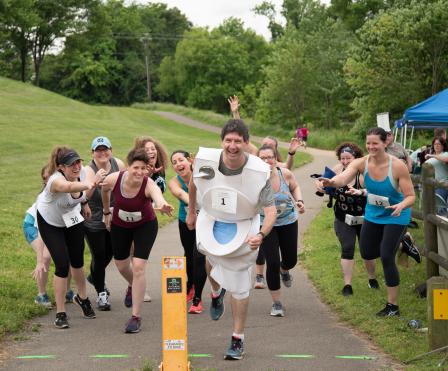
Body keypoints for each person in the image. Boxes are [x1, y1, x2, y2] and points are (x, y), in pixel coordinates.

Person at [186, 118, 277, 360]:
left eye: (238, 141)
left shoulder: (259, 172)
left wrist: (261, 234)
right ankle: (216, 293)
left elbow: (270, 211)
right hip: (212, 217)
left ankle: (238, 338)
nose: (233, 145)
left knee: (239, 284)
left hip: (244, 223)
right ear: (222, 141)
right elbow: (194, 184)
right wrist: (191, 211)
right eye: (228, 140)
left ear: (246, 143)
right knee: (210, 257)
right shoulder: (206, 161)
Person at [320, 127, 415, 316]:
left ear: (384, 143)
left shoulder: (397, 166)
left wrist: (401, 206)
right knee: (367, 252)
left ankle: (392, 306)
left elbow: (411, 196)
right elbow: (344, 177)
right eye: (368, 143)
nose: (371, 147)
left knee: (387, 256)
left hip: (396, 215)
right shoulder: (361, 163)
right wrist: (331, 182)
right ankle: (403, 243)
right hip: (372, 215)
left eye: (375, 143)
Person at [101, 148, 173, 333]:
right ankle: (133, 285)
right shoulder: (115, 178)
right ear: (128, 166)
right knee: (121, 265)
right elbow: (104, 189)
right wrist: (106, 211)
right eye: (136, 168)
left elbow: (157, 195)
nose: (140, 172)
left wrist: (162, 204)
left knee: (139, 267)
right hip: (119, 225)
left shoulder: (148, 184)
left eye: (143, 168)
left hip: (145, 226)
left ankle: (135, 317)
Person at [36, 147, 100, 329]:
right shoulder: (55, 181)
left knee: (77, 261)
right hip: (50, 222)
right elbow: (70, 187)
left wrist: (85, 203)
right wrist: (91, 184)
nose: (77, 166)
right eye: (71, 164)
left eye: (78, 162)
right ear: (61, 168)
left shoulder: (82, 173)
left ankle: (83, 298)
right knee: (62, 265)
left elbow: (79, 193)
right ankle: (61, 312)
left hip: (71, 218)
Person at [315, 143, 377, 296]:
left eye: (348, 158)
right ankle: (347, 285)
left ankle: (372, 278)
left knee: (367, 251)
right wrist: (320, 185)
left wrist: (361, 191)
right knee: (347, 248)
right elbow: (324, 183)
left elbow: (374, 191)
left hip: (364, 217)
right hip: (343, 217)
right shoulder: (337, 170)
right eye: (342, 158)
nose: (345, 161)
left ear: (355, 158)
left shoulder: (362, 174)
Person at [257, 145, 305, 316]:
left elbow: (295, 186)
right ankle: (276, 303)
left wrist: (299, 201)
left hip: (288, 221)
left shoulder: (285, 174)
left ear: (275, 158)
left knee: (291, 259)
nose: (266, 161)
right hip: (266, 225)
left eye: (269, 157)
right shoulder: (254, 179)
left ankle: (285, 270)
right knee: (272, 262)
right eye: (262, 158)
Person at [84, 136, 125, 311]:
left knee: (114, 252)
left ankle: (95, 276)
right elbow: (84, 195)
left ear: (110, 150)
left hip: (115, 217)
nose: (102, 153)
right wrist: (95, 181)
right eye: (98, 150)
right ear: (92, 153)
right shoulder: (88, 170)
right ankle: (101, 293)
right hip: (94, 219)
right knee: (99, 256)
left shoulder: (118, 164)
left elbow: (127, 184)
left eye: (105, 149)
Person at [168, 150, 207, 314]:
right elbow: (181, 194)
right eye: (174, 162)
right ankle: (190, 285)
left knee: (199, 256)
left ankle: (197, 298)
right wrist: (192, 209)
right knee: (188, 255)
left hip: (205, 221)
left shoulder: (203, 176)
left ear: (190, 161)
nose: (178, 164)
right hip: (186, 221)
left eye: (181, 160)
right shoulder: (174, 182)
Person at [133, 136, 169, 301]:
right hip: (130, 217)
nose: (151, 151)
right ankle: (136, 288)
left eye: (153, 148)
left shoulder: (160, 170)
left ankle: (140, 289)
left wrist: (161, 204)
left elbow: (158, 194)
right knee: (129, 255)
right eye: (146, 149)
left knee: (138, 257)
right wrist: (145, 174)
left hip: (146, 219)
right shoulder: (137, 170)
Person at [23, 166, 52, 308]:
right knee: (46, 257)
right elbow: (41, 229)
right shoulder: (43, 199)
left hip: (52, 226)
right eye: (45, 178)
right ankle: (41, 295)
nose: (48, 181)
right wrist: (40, 259)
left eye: (51, 176)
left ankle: (68, 291)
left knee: (68, 255)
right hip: (32, 225)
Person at [425, 136, 448, 213]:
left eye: (439, 144)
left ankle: (443, 223)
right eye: (435, 144)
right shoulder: (430, 158)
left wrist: (432, 155)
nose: (437, 146)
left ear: (443, 145)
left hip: (443, 185)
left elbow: (446, 159)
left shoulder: (445, 154)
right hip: (432, 185)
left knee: (441, 208)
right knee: (431, 209)